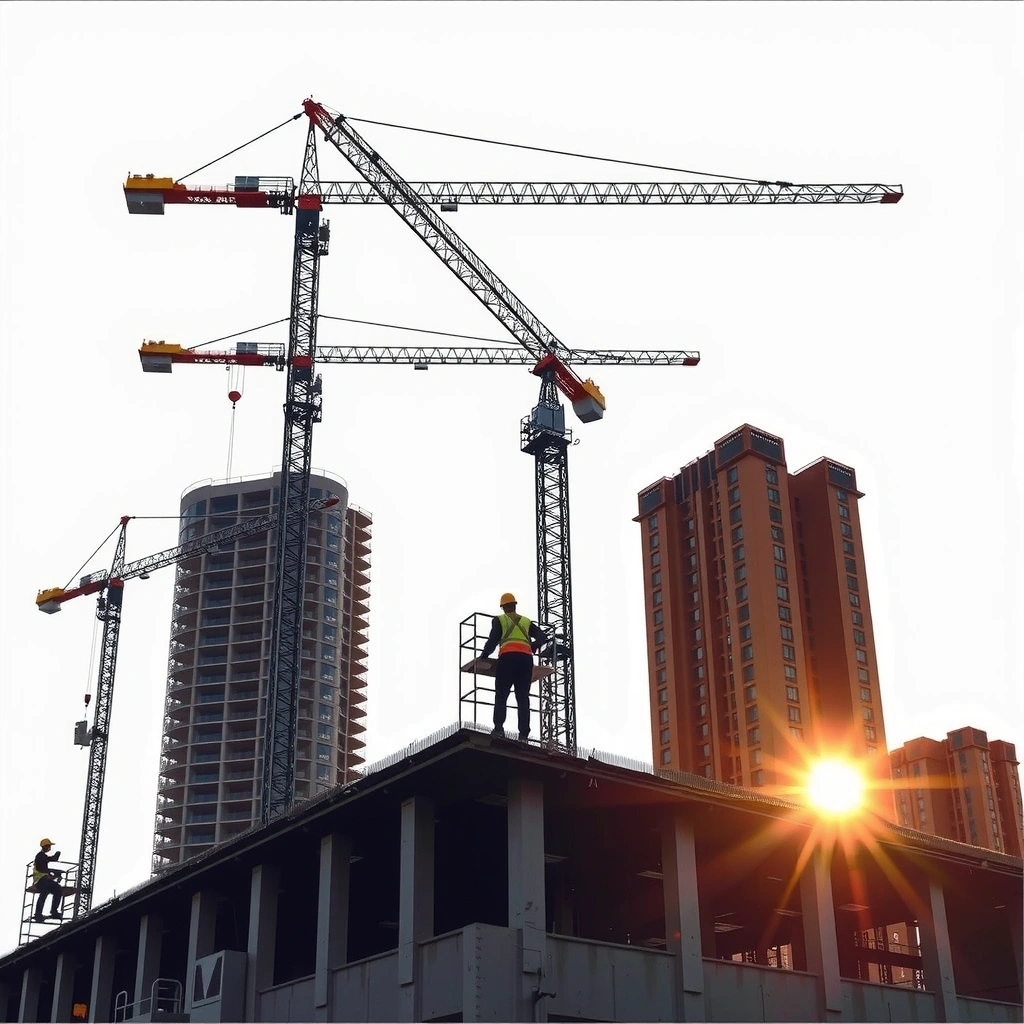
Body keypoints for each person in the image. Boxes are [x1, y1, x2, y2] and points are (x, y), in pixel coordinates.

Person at [479, 592, 547, 742]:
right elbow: (543, 637)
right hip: (525, 660)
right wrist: (533, 646)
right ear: (515, 606)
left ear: (503, 607)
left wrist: (484, 655)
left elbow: (493, 639)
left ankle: (498, 729)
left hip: (507, 659)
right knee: (523, 697)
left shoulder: (500, 620)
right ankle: (523, 735)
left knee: (502, 695)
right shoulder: (526, 621)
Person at [32, 838, 64, 922]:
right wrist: (52, 873)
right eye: (48, 846)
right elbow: (41, 868)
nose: (49, 847)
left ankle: (52, 912)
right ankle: (39, 914)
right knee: (46, 892)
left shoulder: (43, 856)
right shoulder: (40, 856)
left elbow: (52, 859)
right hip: (40, 880)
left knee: (57, 890)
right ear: (45, 846)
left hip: (43, 880)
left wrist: (56, 855)